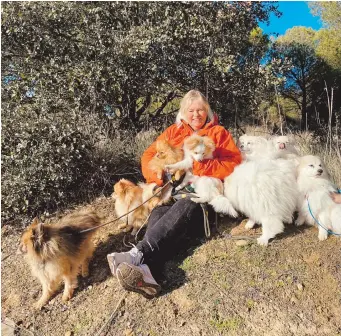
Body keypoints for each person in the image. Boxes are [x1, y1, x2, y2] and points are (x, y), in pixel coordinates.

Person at [107, 90, 242, 298]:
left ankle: (138, 254)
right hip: (173, 191)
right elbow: (148, 155)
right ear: (183, 112)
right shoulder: (173, 132)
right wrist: (158, 174)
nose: (196, 115)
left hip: (204, 195)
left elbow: (234, 164)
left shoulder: (219, 133)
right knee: (159, 211)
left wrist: (200, 167)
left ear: (207, 111)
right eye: (191, 111)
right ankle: (149, 275)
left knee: (185, 205)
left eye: (200, 110)